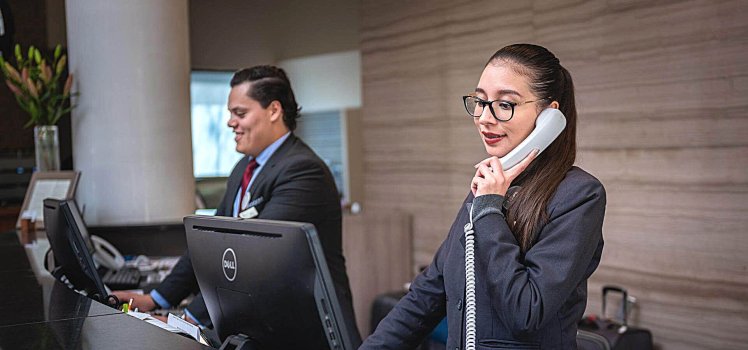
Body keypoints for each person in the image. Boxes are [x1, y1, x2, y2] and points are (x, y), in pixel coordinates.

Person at [360, 44, 606, 349]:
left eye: (505, 104)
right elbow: (427, 294)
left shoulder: (579, 195)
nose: (484, 118)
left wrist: (489, 209)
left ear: (549, 117)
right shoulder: (490, 186)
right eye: (480, 101)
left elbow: (526, 311)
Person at [114, 66, 360, 343]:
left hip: (306, 334)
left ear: (274, 111)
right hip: (261, 328)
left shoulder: (303, 171)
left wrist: (187, 321)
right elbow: (208, 245)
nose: (230, 122)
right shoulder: (244, 167)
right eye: (231, 113)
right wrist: (154, 298)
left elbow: (251, 260)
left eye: (240, 113)